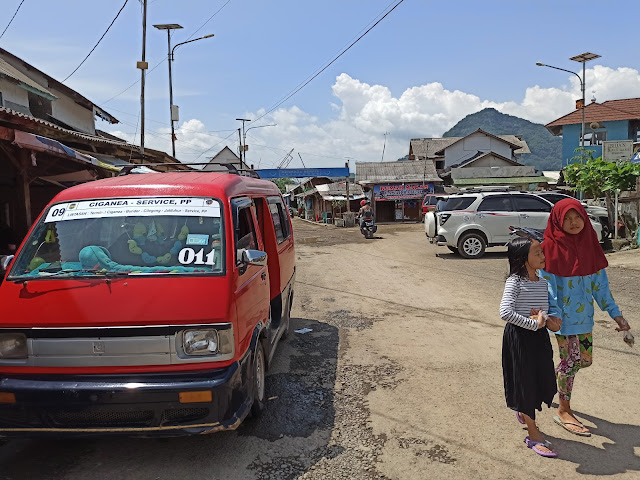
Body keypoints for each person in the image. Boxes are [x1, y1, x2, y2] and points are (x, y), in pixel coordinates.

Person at [540, 198, 631, 437]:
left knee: (584, 361)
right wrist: (553, 315)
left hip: (585, 320)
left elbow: (601, 288)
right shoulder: (549, 248)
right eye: (567, 219)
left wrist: (617, 316)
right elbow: (547, 288)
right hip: (561, 322)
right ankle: (564, 409)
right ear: (558, 221)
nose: (573, 223)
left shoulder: (591, 245)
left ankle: (549, 382)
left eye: (577, 217)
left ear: (584, 218)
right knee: (571, 362)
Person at [500, 236, 562, 457]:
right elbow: (505, 312)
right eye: (537, 253)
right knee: (525, 384)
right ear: (522, 258)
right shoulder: (514, 281)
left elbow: (542, 313)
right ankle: (533, 434)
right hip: (519, 339)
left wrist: (551, 321)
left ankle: (524, 411)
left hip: (539, 339)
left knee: (542, 379)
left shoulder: (543, 282)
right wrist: (533, 324)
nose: (542, 256)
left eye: (542, 252)